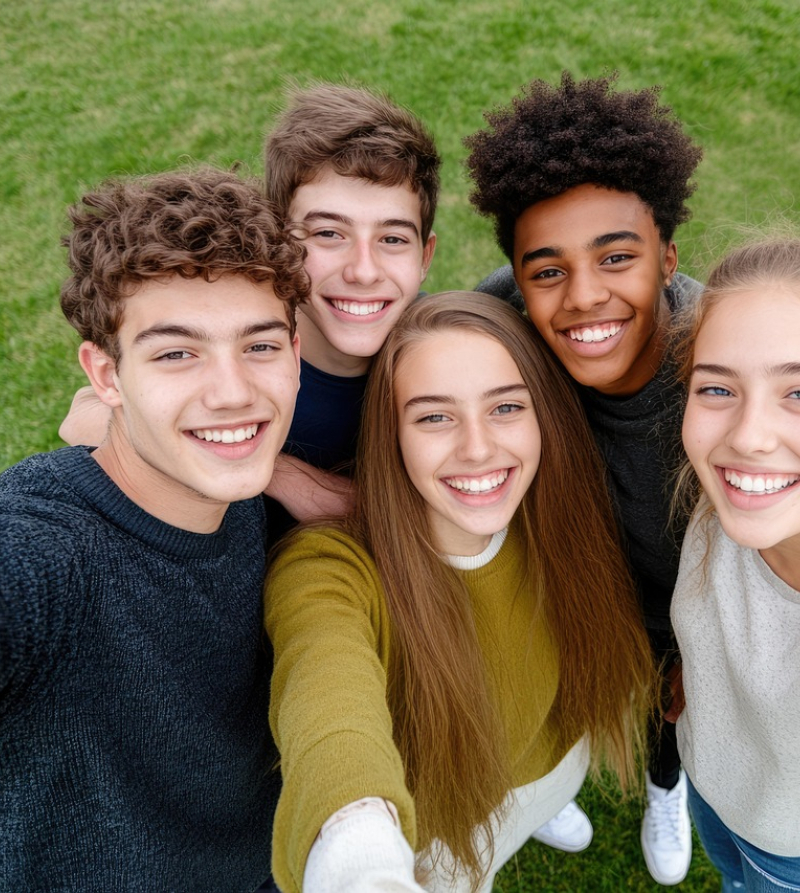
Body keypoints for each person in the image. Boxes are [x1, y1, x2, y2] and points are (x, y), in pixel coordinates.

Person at [265, 292, 655, 893]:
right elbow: (327, 696)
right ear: (390, 433)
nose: (477, 448)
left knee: (539, 799)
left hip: (554, 764)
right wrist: (359, 850)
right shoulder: (330, 568)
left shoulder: (557, 509)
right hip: (447, 828)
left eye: (505, 408)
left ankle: (544, 810)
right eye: (434, 417)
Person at [0, 168, 306, 891]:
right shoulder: (46, 551)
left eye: (260, 345)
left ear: (296, 353)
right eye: (176, 352)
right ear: (105, 375)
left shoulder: (239, 496)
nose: (233, 392)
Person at [465, 71, 703, 886]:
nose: (584, 297)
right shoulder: (496, 327)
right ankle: (547, 780)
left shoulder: (725, 362)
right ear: (519, 284)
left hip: (687, 599)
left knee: (672, 702)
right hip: (571, 583)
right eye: (548, 270)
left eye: (616, 256)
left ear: (668, 255)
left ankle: (665, 781)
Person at [59, 82, 440, 524]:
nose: (363, 271)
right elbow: (84, 416)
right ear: (278, 236)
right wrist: (294, 481)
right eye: (328, 234)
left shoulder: (436, 345)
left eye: (392, 239)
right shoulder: (240, 344)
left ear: (424, 256)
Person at [672, 237, 800, 892]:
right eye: (717, 387)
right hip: (711, 782)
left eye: (798, 393)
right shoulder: (725, 501)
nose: (748, 434)